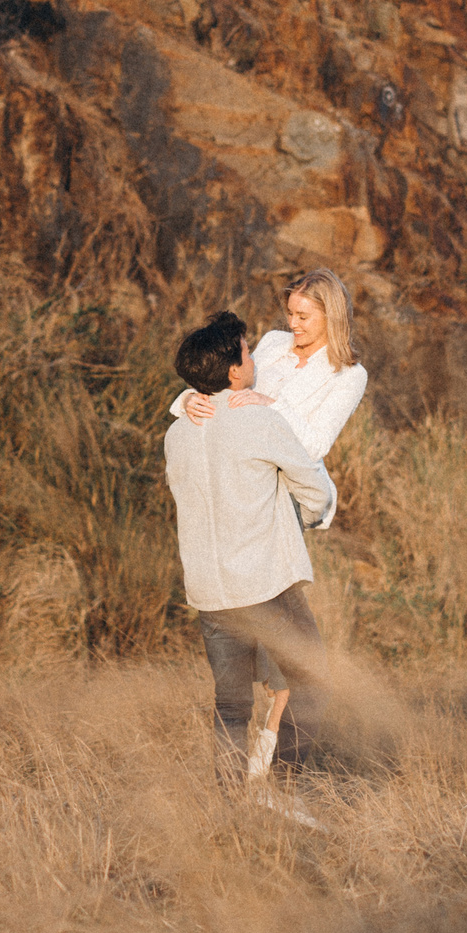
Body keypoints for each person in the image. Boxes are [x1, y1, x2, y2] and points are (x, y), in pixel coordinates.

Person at [163, 311, 338, 771]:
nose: (252, 355)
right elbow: (315, 488)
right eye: (246, 349)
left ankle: (232, 805)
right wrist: (309, 518)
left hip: (210, 594)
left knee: (232, 707)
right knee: (313, 682)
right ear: (235, 369)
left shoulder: (177, 432)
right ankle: (282, 785)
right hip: (264, 587)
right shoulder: (259, 421)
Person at [172, 268, 370, 459]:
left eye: (303, 317)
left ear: (331, 317)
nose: (292, 324)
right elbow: (230, 380)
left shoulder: (351, 375)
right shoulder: (274, 340)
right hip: (236, 463)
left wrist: (270, 404)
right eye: (290, 313)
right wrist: (189, 399)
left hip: (287, 483)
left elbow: (316, 448)